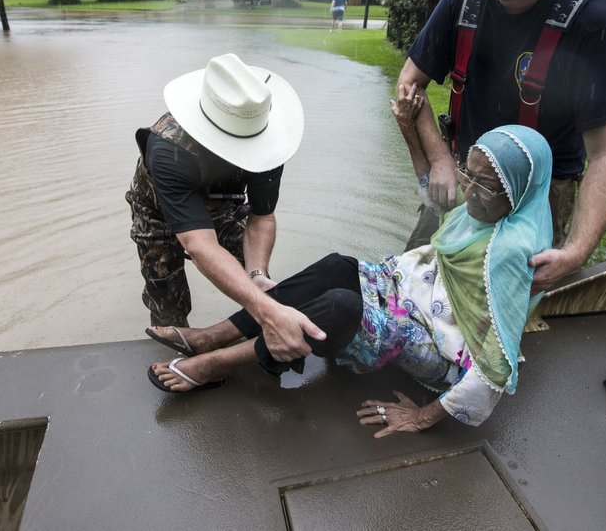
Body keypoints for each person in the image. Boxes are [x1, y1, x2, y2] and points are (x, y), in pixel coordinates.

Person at [148, 108, 554, 438]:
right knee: (336, 265)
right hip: (411, 297)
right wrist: (410, 125)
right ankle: (215, 334)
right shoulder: (479, 211)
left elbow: (494, 369)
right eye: (470, 174)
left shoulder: (509, 254)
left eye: (484, 185)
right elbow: (433, 194)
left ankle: (216, 363)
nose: (468, 190)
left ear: (518, 192)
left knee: (340, 308)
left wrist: (421, 417)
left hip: (439, 344)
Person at [397, 0, 606, 291]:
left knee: (503, 316)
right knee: (412, 285)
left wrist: (576, 250)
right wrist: (439, 159)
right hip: (464, 172)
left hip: (538, 196)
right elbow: (409, 84)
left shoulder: (596, 18)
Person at [125, 53, 326, 362]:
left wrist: (257, 274)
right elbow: (200, 244)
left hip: (222, 209)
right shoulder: (169, 150)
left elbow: (262, 215)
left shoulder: (269, 141)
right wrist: (264, 308)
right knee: (168, 302)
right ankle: (178, 362)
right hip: (158, 214)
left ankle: (253, 352)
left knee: (262, 291)